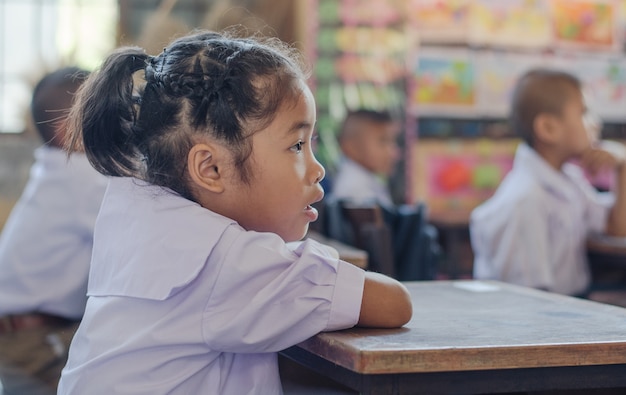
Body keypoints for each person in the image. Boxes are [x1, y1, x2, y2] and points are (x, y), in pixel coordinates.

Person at [57, 30, 412, 395]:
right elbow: (393, 303)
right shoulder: (225, 262)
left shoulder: (135, 214)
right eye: (296, 145)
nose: (317, 169)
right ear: (210, 168)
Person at [470, 68, 626, 296]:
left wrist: (622, 168)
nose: (596, 123)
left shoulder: (568, 179)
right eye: (584, 113)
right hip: (542, 319)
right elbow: (528, 301)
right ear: (548, 128)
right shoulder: (526, 200)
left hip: (564, 308)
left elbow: (617, 228)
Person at [0, 67, 108, 395]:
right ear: (69, 131)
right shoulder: (83, 178)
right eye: (104, 113)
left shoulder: (56, 170)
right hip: (32, 340)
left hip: (23, 332)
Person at [329, 109, 401, 208]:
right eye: (383, 141)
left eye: (392, 142)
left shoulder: (367, 182)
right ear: (352, 147)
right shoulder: (356, 191)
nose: (393, 152)